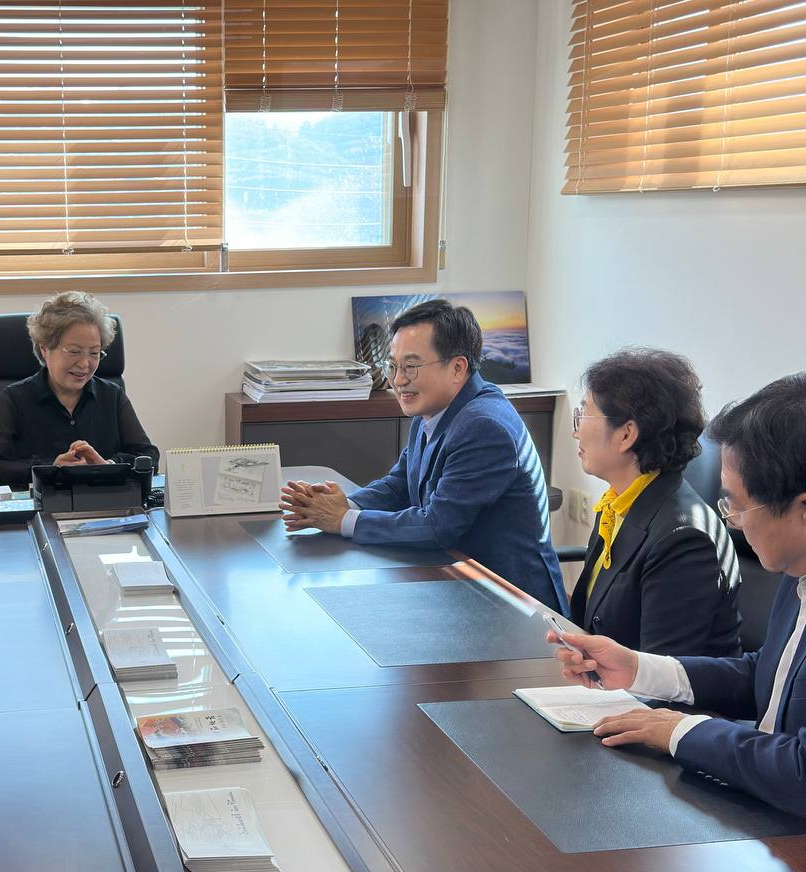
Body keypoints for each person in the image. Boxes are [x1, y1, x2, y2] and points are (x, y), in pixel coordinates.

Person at [553, 373, 806, 817]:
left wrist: (679, 730)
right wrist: (635, 668)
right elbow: (764, 676)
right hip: (755, 794)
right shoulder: (796, 572)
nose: (733, 521)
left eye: (739, 504)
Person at [280, 299, 566, 613]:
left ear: (457, 368)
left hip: (514, 606)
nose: (398, 380)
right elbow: (400, 484)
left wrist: (343, 520)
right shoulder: (434, 409)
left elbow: (437, 525)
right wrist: (341, 504)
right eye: (394, 366)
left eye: (411, 366)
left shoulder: (484, 427)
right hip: (458, 585)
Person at [568, 349, 741, 656]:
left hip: (662, 702)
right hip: (605, 688)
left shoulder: (684, 537)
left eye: (584, 414)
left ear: (626, 435)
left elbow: (663, 674)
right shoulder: (618, 503)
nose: (575, 430)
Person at [0, 291, 159, 488]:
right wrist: (50, 468)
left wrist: (107, 466)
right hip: (40, 509)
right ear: (45, 350)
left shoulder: (112, 396)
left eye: (94, 353)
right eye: (74, 352)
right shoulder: (14, 398)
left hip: (105, 508)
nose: (85, 364)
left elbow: (148, 456)